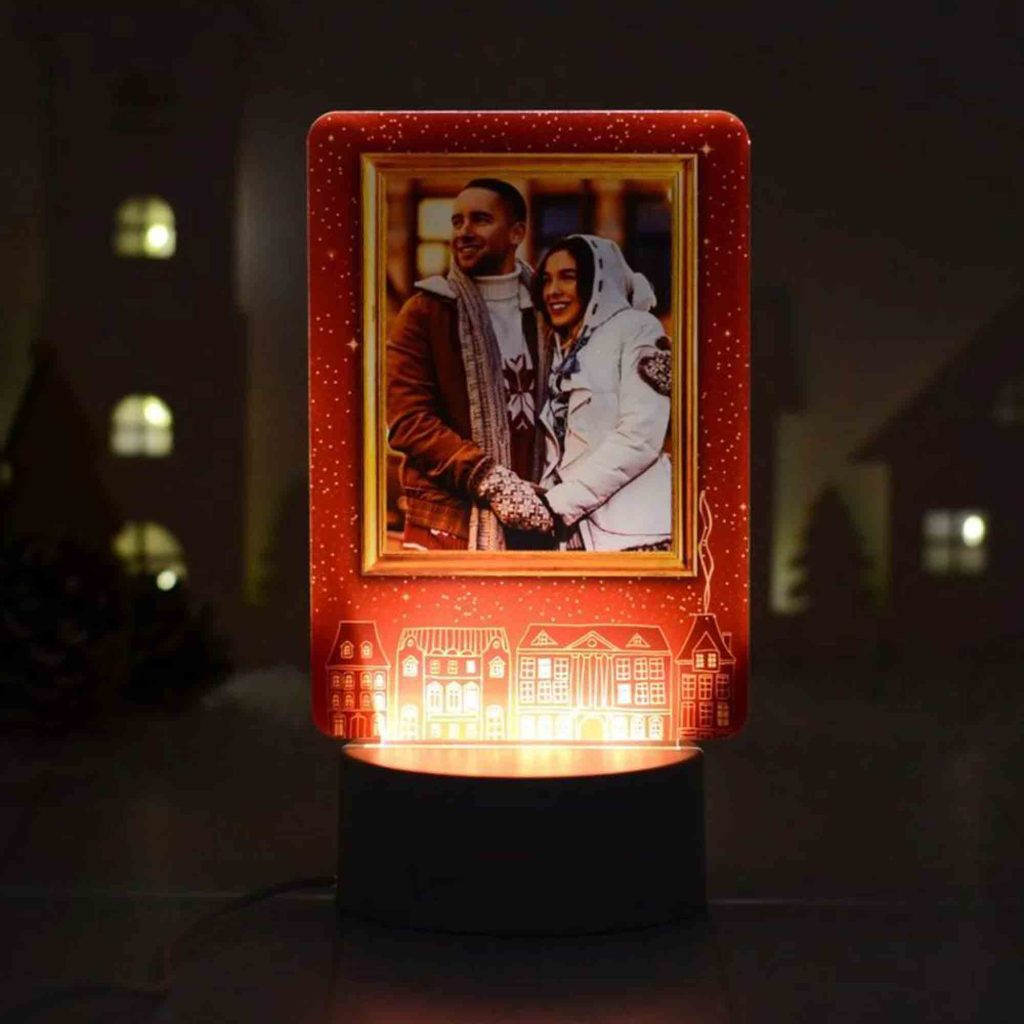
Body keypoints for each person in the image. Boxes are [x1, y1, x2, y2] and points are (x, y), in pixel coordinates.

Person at [386, 179, 554, 551]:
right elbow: (408, 422)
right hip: (445, 526)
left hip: (537, 525)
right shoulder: (426, 311)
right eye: (457, 221)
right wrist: (491, 480)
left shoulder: (549, 313)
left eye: (480, 220)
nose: (463, 232)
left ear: (517, 233)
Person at [533, 235, 673, 551]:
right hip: (576, 537)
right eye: (547, 280)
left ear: (601, 279)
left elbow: (640, 438)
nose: (553, 290)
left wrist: (558, 504)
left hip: (636, 534)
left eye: (567, 277)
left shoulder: (638, 328)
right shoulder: (559, 349)